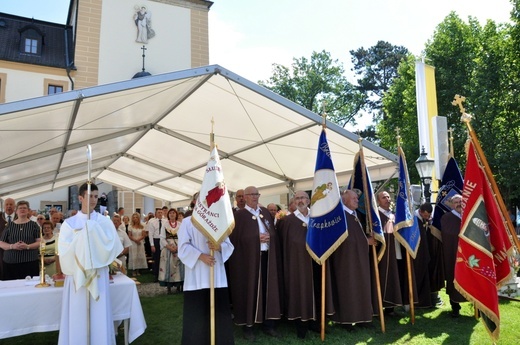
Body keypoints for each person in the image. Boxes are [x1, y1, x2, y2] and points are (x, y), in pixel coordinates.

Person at [58, 182, 123, 345]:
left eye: (96, 196)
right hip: (77, 276)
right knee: (78, 313)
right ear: (80, 198)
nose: (93, 200)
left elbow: (113, 246)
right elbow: (64, 251)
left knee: (99, 312)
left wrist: (93, 235)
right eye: (89, 196)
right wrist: (84, 237)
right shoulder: (69, 224)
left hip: (98, 274)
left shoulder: (104, 222)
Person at [228, 186, 282, 341]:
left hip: (267, 258)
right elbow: (235, 241)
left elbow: (273, 232)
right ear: (244, 197)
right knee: (249, 291)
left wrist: (269, 237)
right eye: (251, 194)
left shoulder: (264, 212)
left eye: (257, 194)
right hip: (247, 262)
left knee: (268, 290)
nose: (255, 197)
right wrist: (255, 239)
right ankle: (248, 326)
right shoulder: (239, 216)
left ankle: (268, 324)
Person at [277, 190, 333, 338]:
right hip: (297, 265)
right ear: (294, 202)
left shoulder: (318, 218)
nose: (300, 200)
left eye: (303, 198)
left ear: (309, 200)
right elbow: (282, 245)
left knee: (318, 290)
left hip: (317, 262)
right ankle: (301, 326)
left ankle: (317, 323)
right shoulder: (287, 221)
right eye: (297, 198)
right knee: (301, 292)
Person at [178, 215, 235, 345]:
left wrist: (219, 246)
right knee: (196, 317)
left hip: (217, 278)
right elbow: (182, 247)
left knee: (219, 315)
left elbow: (229, 246)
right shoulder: (187, 222)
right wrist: (200, 255)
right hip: (196, 278)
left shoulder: (219, 222)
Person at [329, 190, 374, 330]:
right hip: (346, 261)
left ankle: (363, 318)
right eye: (354, 198)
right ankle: (347, 320)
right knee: (348, 289)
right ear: (345, 200)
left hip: (358, 259)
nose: (357, 200)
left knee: (361, 287)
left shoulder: (354, 215)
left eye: (357, 198)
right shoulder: (340, 216)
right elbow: (344, 240)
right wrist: (366, 242)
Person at [376, 191, 405, 316]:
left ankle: (391, 308)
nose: (387, 199)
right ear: (378, 201)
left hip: (397, 251)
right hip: (383, 254)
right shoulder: (376, 216)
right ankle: (380, 308)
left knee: (395, 278)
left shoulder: (394, 215)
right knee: (383, 278)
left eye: (388, 197)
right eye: (384, 197)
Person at [0, 200, 41, 280]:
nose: (22, 210)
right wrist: (12, 246)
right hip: (10, 263)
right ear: (16, 211)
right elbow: (1, 243)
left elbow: (40, 242)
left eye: (25, 208)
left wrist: (28, 246)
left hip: (30, 262)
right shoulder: (9, 225)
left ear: (28, 211)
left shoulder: (34, 225)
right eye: (20, 208)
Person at [441, 194, 467, 317]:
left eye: (460, 201)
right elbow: (448, 234)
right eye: (456, 202)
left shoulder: (469, 216)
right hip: (453, 255)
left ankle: (477, 307)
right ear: (451, 204)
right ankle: (455, 307)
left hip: (469, 256)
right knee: (454, 278)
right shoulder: (446, 218)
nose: (458, 204)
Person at [413, 203, 434, 308]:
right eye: (425, 216)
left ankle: (424, 301)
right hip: (416, 255)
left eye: (428, 216)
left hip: (424, 254)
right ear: (420, 211)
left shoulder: (425, 219)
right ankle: (415, 301)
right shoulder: (413, 219)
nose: (427, 218)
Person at [159, 208, 184, 294]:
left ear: (176, 214)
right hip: (168, 248)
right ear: (168, 215)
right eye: (170, 213)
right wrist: (169, 247)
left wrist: (178, 247)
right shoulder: (165, 224)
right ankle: (168, 287)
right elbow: (162, 237)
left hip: (178, 248)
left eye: (173, 213)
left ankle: (178, 286)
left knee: (178, 267)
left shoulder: (180, 225)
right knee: (168, 266)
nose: (172, 214)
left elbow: (183, 237)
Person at [128, 212, 148, 277]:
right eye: (134, 217)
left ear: (139, 218)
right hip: (133, 243)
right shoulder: (130, 226)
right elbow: (129, 235)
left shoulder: (142, 226)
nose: (135, 219)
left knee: (139, 256)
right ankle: (133, 270)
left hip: (140, 242)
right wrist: (135, 240)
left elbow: (144, 235)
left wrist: (139, 240)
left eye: (136, 217)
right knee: (134, 256)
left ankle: (138, 270)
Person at [0, 197, 16, 279]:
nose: (9, 206)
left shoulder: (20, 217)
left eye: (11, 204)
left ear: (14, 206)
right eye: (7, 204)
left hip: (17, 251)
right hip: (1, 251)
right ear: (3, 206)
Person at [147, 209, 164, 282]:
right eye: (158, 213)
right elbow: (150, 234)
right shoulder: (152, 222)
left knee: (163, 258)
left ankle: (163, 275)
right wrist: (152, 245)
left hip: (163, 240)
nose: (160, 214)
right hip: (156, 240)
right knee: (156, 259)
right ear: (156, 214)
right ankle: (156, 275)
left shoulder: (165, 221)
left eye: (161, 212)